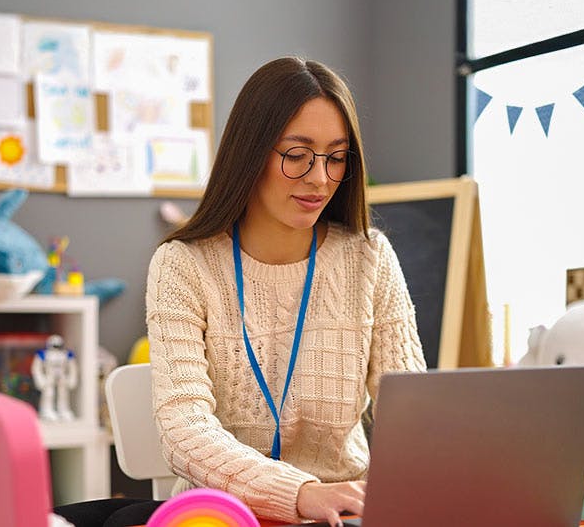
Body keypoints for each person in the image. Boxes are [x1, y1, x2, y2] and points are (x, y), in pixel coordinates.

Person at [56, 57, 425, 527]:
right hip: (220, 515)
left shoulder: (370, 259)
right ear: (251, 152)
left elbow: (412, 420)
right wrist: (301, 493)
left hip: (343, 515)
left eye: (336, 157)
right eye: (297, 154)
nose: (320, 178)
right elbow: (185, 430)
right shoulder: (183, 265)